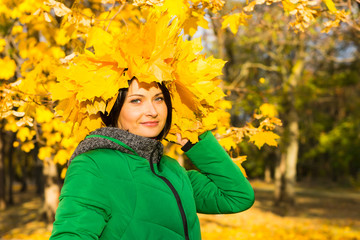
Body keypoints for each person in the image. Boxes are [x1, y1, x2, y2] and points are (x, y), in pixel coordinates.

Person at [49, 78, 255, 239]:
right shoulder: (94, 165)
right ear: (113, 110)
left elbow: (238, 197)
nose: (152, 111)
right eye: (136, 100)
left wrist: (196, 138)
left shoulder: (172, 170)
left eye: (158, 99)